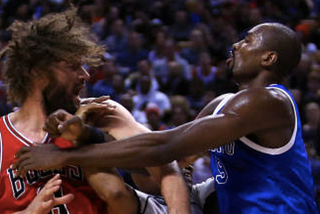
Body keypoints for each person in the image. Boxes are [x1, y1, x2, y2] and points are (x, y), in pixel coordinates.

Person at [13, 23, 319, 213]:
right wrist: (94, 138)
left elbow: (166, 145)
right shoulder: (222, 103)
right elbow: (158, 170)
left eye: (248, 40)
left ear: (269, 58)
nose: (236, 45)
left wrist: (63, 155)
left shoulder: (269, 100)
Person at [0, 7, 191, 214]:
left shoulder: (99, 112)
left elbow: (163, 161)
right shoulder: (2, 137)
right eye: (73, 67)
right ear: (38, 72)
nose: (85, 75)